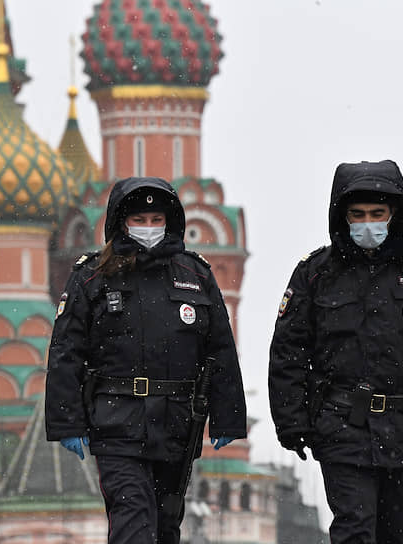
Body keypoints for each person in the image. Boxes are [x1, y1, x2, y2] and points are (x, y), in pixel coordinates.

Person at [268, 160, 403, 544]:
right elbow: (288, 352)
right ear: (343, 216)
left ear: (394, 214)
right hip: (340, 424)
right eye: (358, 214)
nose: (368, 223)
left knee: (395, 533)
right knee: (354, 528)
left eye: (377, 213)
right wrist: (291, 421)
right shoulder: (316, 273)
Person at [45, 176, 247, 544]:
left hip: (176, 424)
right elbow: (66, 352)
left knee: (166, 525)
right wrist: (66, 421)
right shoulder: (92, 276)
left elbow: (219, 348)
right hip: (116, 422)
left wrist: (227, 416)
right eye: (140, 220)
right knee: (132, 519)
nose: (149, 229)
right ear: (122, 223)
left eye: (157, 220)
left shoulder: (195, 275)